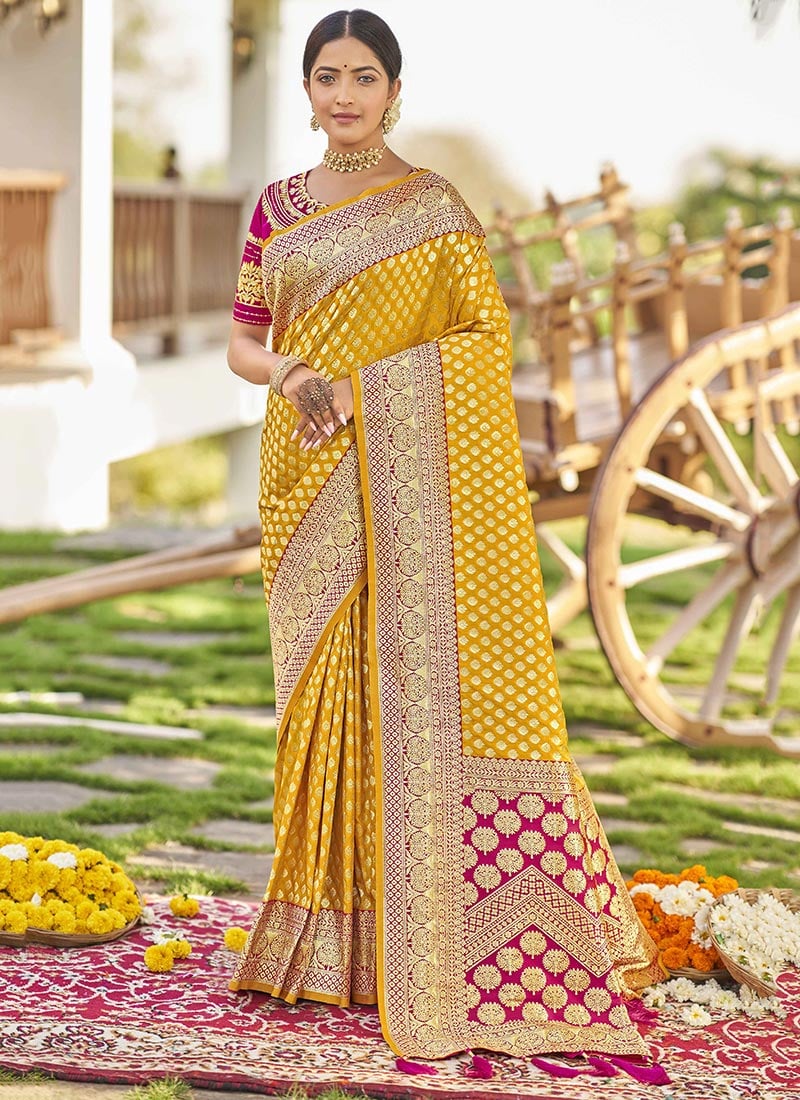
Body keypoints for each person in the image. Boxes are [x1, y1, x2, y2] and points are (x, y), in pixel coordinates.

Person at [226, 8, 664, 1065]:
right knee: (318, 700)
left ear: (393, 90)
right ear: (306, 90)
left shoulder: (434, 209)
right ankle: (326, 942)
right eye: (326, 76)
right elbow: (242, 343)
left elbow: (479, 340)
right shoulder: (275, 209)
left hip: (409, 473)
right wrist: (292, 370)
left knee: (416, 686)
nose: (343, 94)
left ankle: (423, 938)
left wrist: (370, 390)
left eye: (362, 76)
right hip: (305, 473)